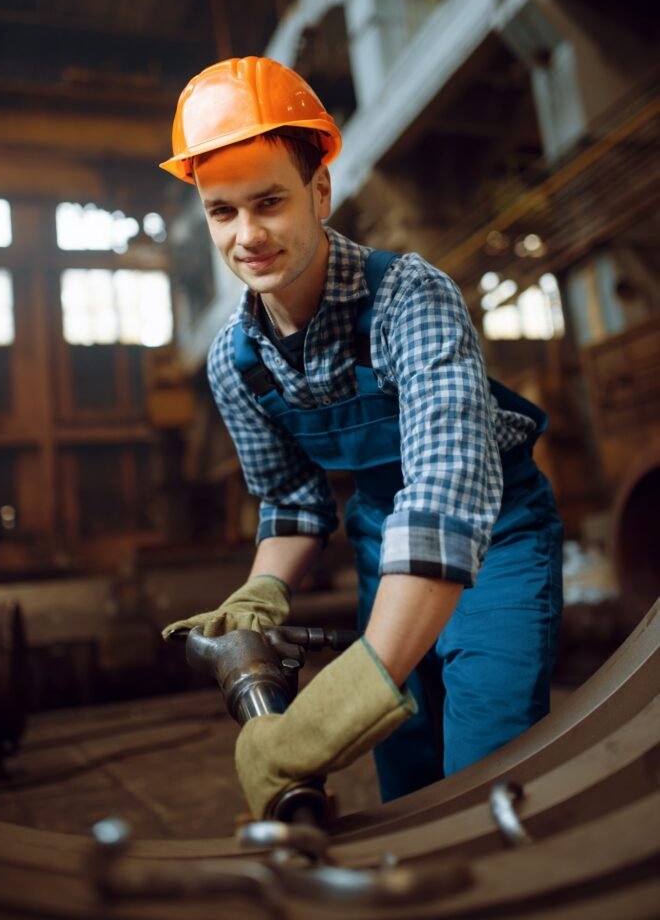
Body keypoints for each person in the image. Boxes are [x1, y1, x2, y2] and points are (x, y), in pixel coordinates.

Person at [159, 56, 563, 820]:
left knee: (486, 766)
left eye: (269, 202)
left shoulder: (410, 298)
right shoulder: (234, 363)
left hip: (496, 535)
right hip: (384, 541)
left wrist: (325, 715)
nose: (247, 236)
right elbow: (291, 499)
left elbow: (446, 491)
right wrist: (265, 587)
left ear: (319, 191)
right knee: (408, 782)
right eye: (222, 212)